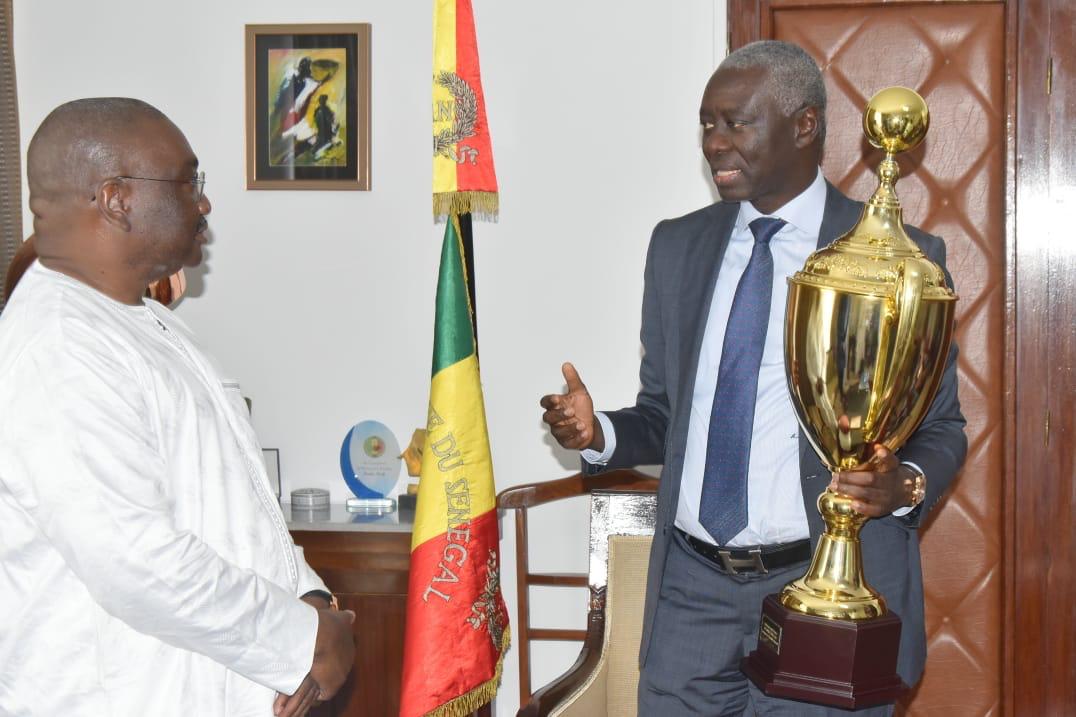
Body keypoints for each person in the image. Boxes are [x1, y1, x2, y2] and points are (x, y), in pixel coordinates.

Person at [540, 41, 967, 716]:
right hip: (690, 591)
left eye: (736, 123)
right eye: (707, 123)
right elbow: (664, 414)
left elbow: (942, 425)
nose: (715, 143)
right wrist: (598, 432)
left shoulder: (898, 256)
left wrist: (903, 485)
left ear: (804, 126)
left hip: (824, 585)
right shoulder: (678, 246)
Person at [0, 98, 355, 717]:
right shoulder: (59, 345)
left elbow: (242, 507)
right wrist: (299, 641)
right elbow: (133, 560)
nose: (204, 203)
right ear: (117, 200)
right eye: (190, 182)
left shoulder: (149, 325)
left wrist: (312, 603)